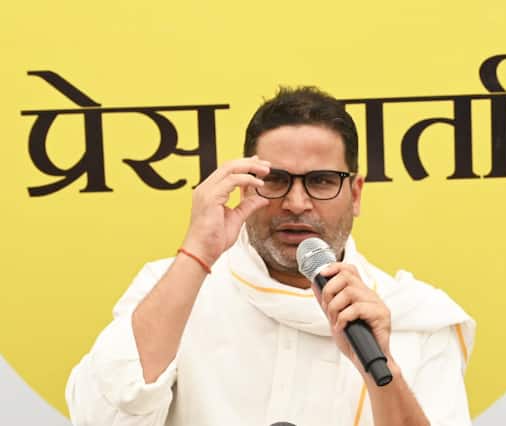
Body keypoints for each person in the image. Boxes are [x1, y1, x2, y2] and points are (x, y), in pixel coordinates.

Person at [66, 87, 475, 426]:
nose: (296, 203)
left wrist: (382, 368)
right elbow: (98, 416)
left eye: (321, 181)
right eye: (275, 180)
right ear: (245, 187)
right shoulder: (174, 290)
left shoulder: (412, 318)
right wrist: (197, 253)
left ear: (355, 195)